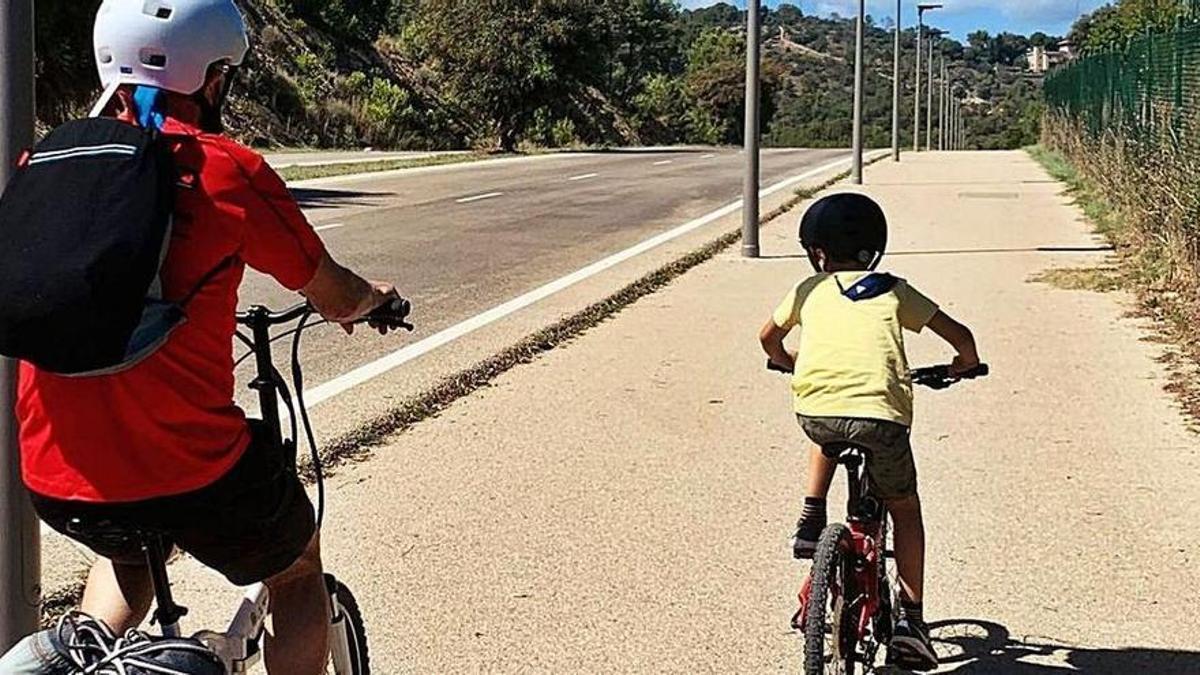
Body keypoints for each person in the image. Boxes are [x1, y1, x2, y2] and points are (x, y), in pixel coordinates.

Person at [0, 1, 399, 673]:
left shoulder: (44, 161)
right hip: (197, 474)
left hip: (57, 476)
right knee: (298, 568)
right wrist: (373, 301)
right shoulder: (226, 171)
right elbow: (331, 291)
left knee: (127, 545)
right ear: (212, 79)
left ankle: (87, 659)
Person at [758, 193, 980, 671]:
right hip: (881, 418)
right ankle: (912, 623)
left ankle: (811, 517)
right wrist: (964, 365)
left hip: (816, 409)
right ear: (874, 248)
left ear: (817, 252)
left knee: (827, 433)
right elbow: (962, 339)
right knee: (905, 507)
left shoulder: (808, 290)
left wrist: (789, 363)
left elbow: (767, 339)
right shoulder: (895, 290)